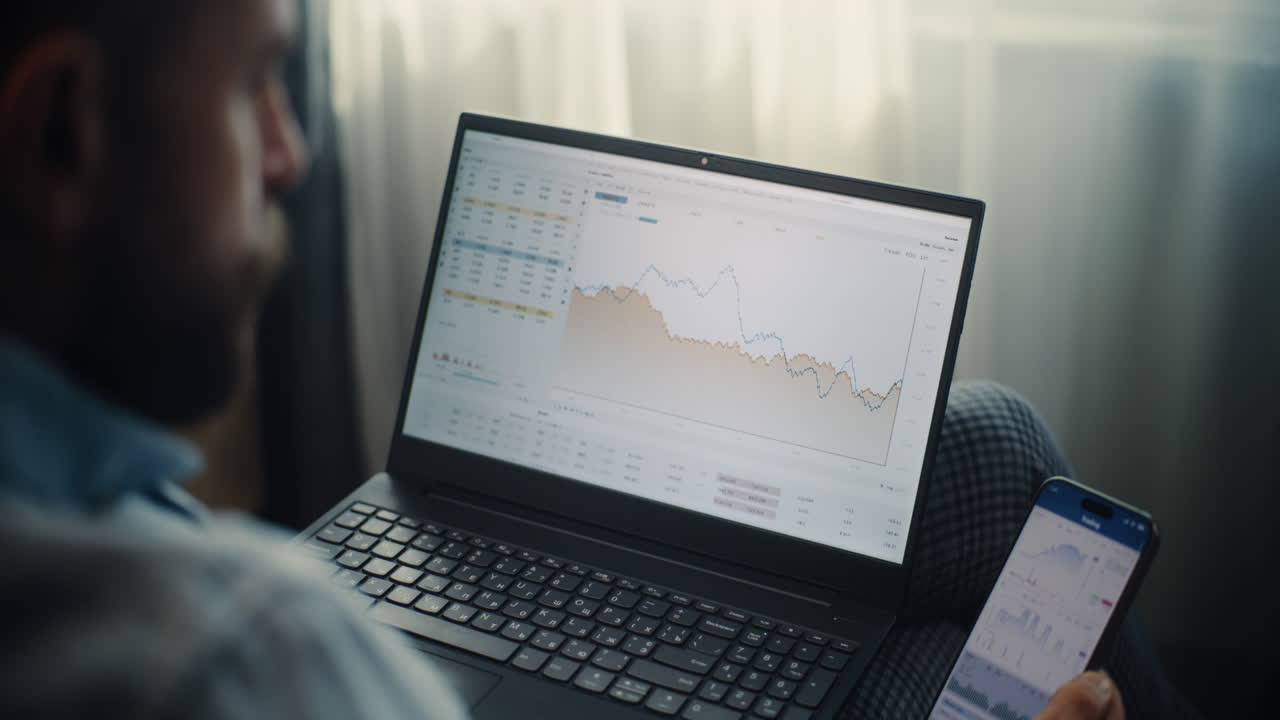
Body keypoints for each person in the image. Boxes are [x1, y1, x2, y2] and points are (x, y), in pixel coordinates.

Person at [0, 1, 1190, 718]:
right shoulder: (254, 657)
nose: (289, 153)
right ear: (63, 128)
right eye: (254, 82)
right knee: (961, 619)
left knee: (991, 447)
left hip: (449, 580)